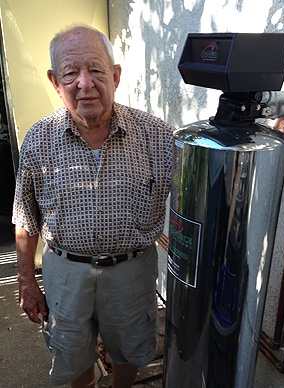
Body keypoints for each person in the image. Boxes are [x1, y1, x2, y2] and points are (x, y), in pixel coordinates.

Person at [13, 25, 173, 388]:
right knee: (71, 354)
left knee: (129, 350)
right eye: (71, 73)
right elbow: (25, 217)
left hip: (131, 272)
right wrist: (26, 281)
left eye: (96, 70)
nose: (84, 83)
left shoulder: (157, 135)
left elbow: (200, 177)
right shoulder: (38, 140)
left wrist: (265, 136)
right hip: (64, 272)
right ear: (56, 82)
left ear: (115, 76)